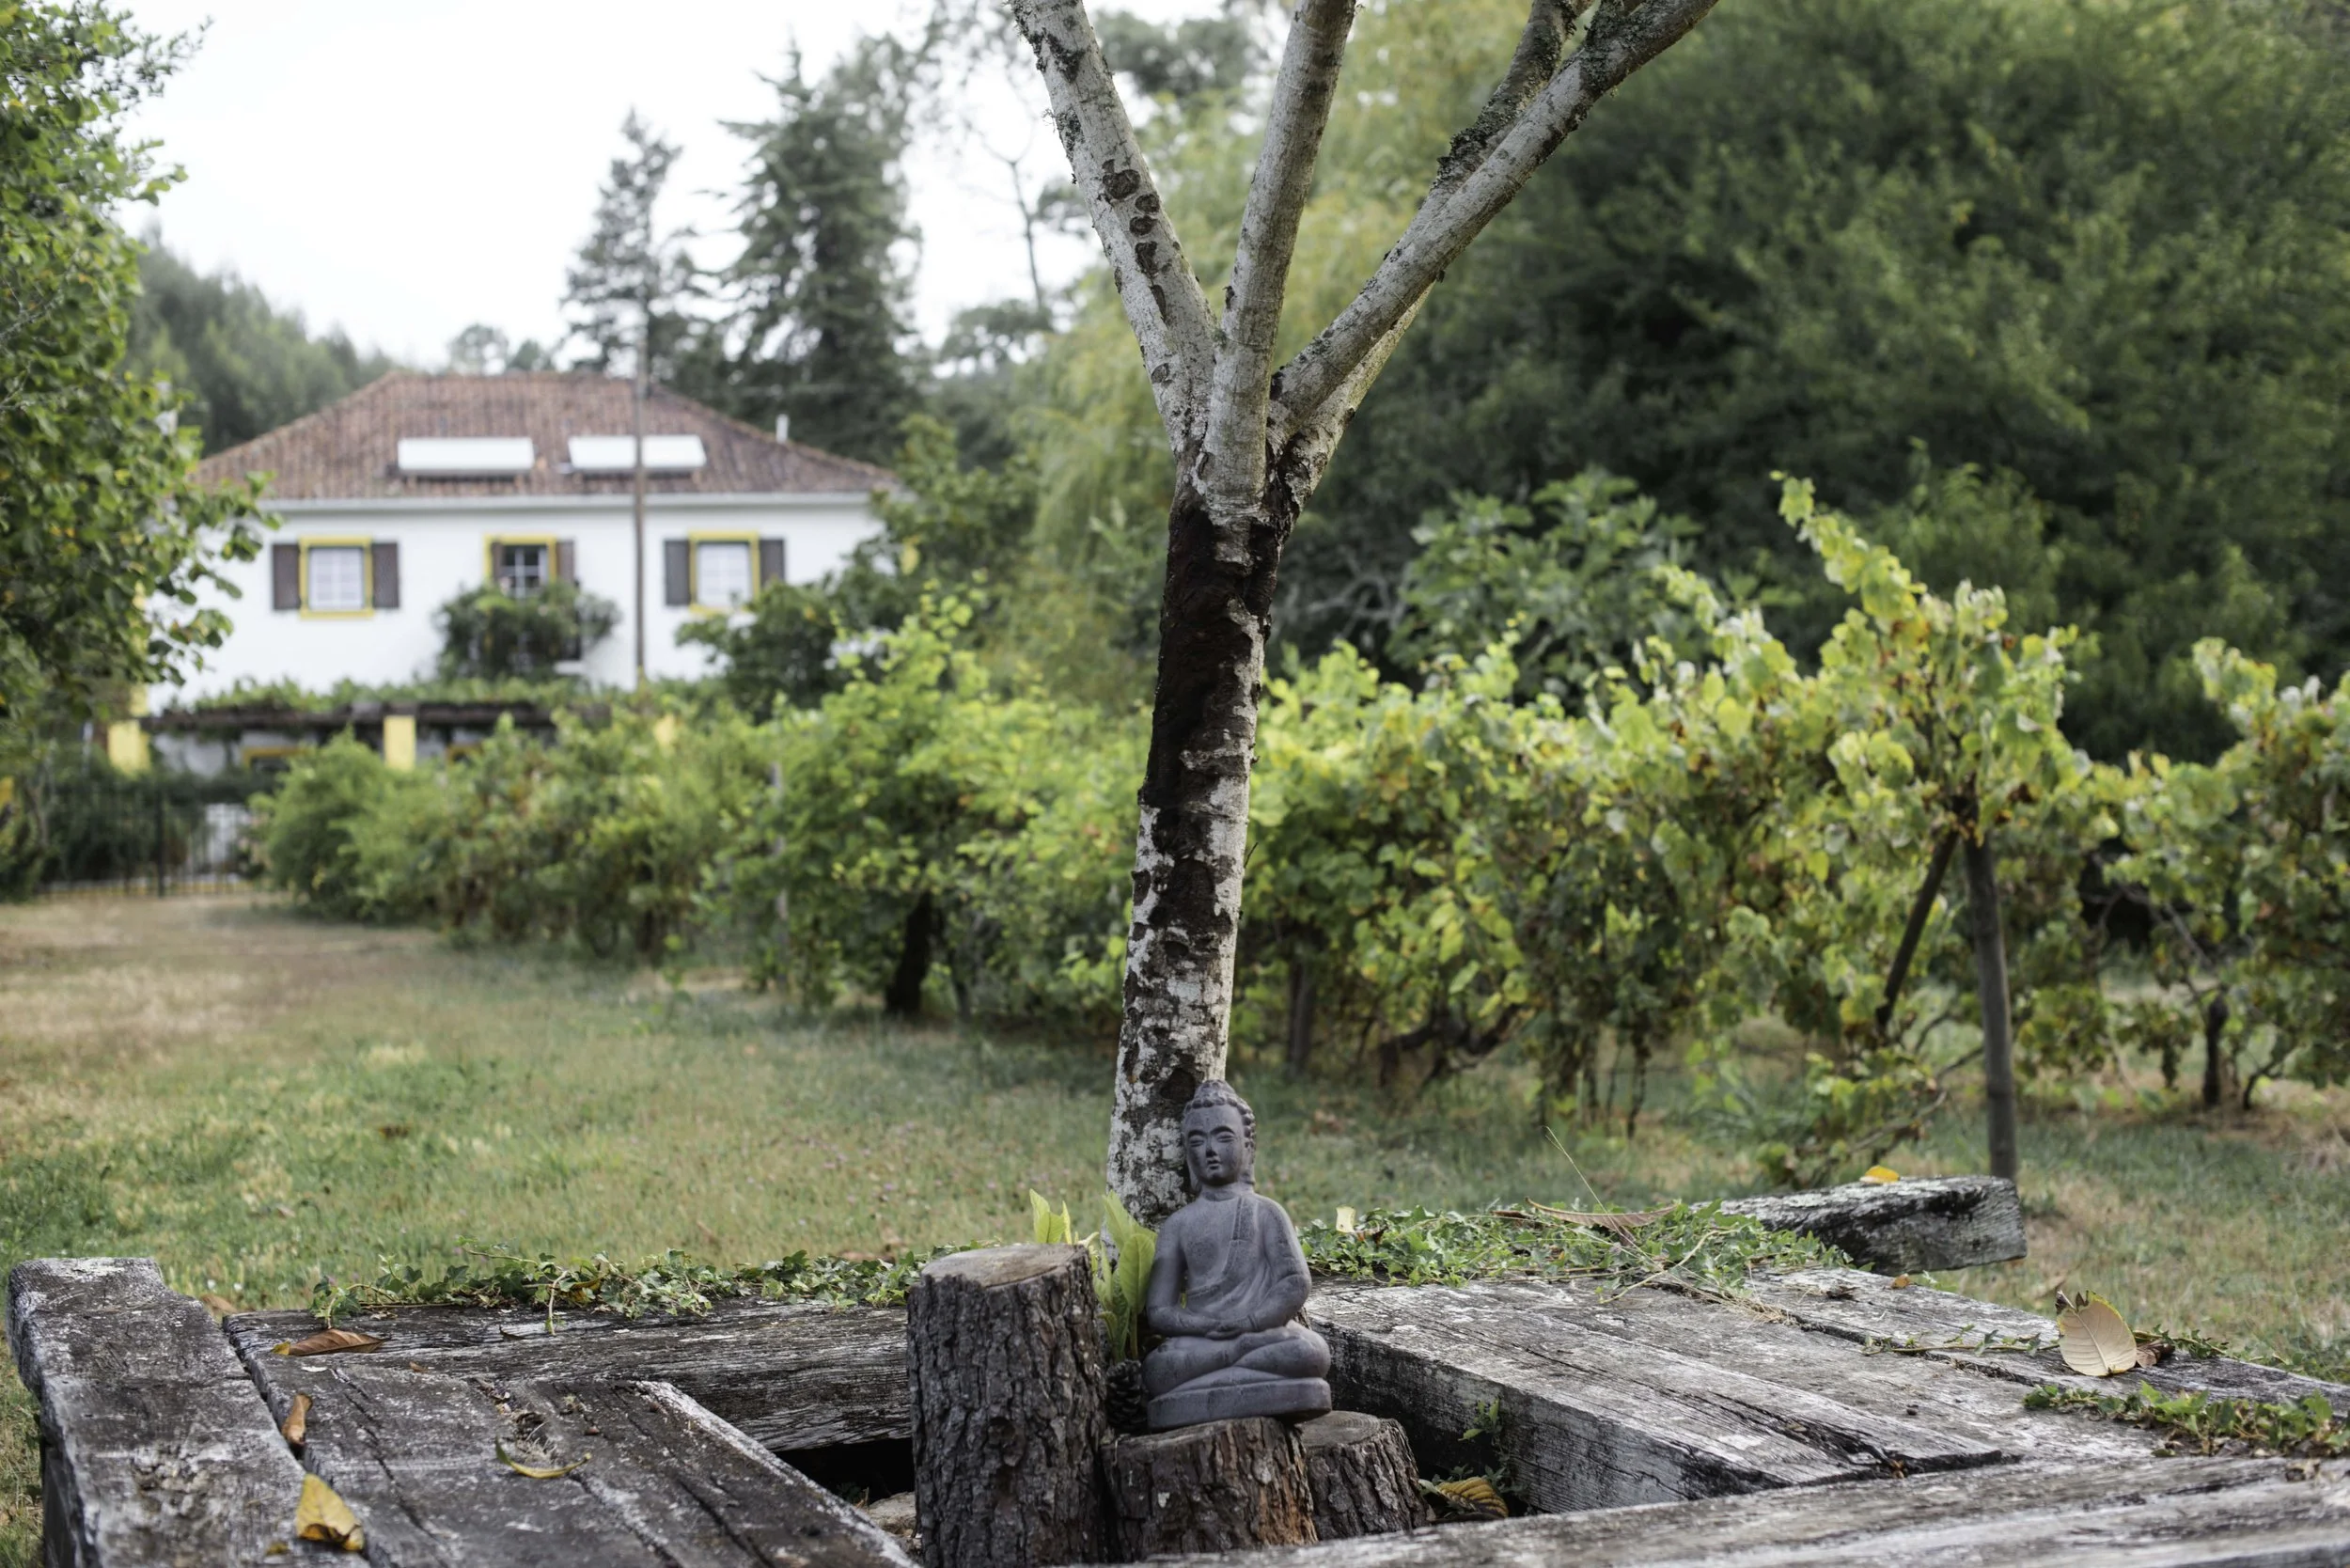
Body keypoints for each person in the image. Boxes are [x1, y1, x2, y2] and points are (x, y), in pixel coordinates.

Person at [1140, 1080, 1333, 1429]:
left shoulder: (1267, 1212)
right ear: (1187, 1152)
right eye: (1197, 1141)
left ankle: (1207, 1388)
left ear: (1248, 1146)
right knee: (1157, 1369)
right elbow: (1159, 1310)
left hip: (1259, 1332)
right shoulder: (1178, 1225)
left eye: (1223, 1137)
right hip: (1201, 1341)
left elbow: (1294, 1282)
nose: (1210, 1150)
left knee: (1311, 1352)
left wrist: (1250, 1323)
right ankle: (1239, 1372)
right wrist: (1206, 1325)